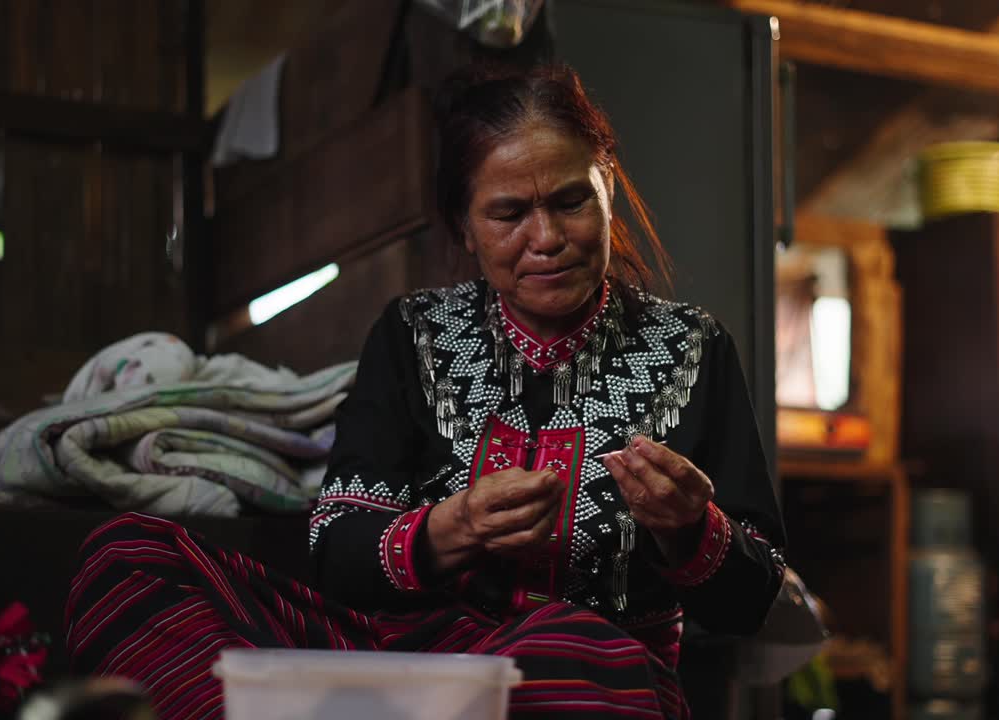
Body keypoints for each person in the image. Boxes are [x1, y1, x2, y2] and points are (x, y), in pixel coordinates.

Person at [65, 63, 785, 720]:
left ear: (608, 194)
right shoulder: (413, 335)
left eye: (571, 202)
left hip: (585, 680)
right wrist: (454, 528)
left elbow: (754, 600)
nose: (547, 238)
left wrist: (692, 528)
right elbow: (337, 548)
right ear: (464, 230)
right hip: (410, 669)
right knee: (126, 559)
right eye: (508, 214)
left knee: (566, 644)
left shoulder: (693, 347)